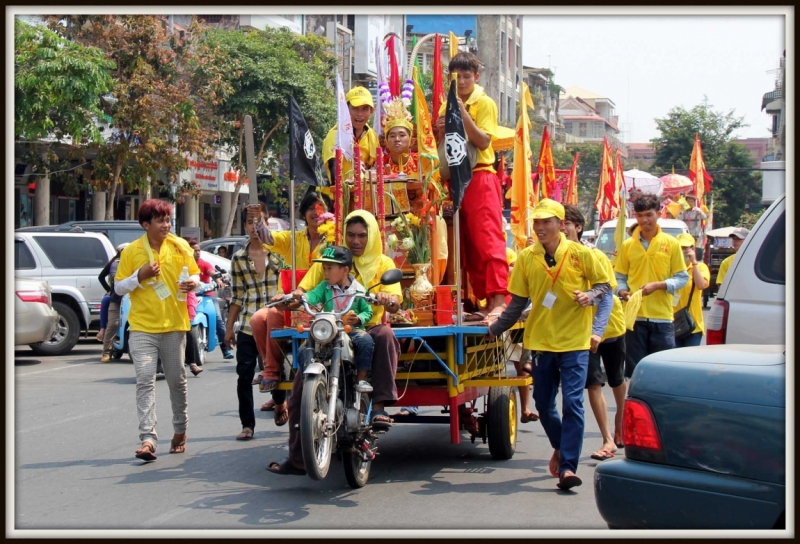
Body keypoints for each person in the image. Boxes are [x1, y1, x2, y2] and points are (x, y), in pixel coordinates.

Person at [487, 199, 611, 491]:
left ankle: (568, 467)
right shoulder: (527, 257)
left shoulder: (582, 254)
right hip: (541, 341)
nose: (541, 228)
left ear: (561, 224)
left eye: (547, 222)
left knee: (573, 403)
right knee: (543, 403)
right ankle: (560, 445)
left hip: (575, 341)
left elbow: (605, 287)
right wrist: (495, 328)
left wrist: (590, 296)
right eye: (537, 223)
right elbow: (517, 301)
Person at [267, 210, 402, 476]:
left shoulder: (384, 263)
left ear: (372, 236)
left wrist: (389, 300)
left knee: (385, 335)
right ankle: (298, 458)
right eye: (350, 234)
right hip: (329, 328)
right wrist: (294, 295)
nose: (356, 240)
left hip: (365, 326)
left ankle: (378, 407)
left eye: (362, 235)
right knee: (300, 382)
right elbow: (305, 290)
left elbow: (396, 301)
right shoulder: (328, 259)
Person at [114, 199, 201, 462]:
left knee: (177, 381)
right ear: (145, 224)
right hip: (142, 327)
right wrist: (138, 276)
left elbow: (196, 276)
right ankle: (148, 438)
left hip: (174, 326)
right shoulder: (132, 251)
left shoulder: (180, 245)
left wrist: (192, 284)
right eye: (161, 220)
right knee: (144, 379)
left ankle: (180, 429)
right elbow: (118, 288)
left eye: (168, 219)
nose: (166, 224)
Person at [434, 51, 508, 323]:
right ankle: (483, 301)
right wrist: (441, 127)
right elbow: (443, 144)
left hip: (480, 176)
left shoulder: (484, 102)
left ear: (476, 77)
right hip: (454, 179)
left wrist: (461, 112)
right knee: (466, 245)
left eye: (467, 76)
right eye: (457, 77)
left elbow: (485, 141)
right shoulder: (445, 105)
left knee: (488, 240)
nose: (462, 81)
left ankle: (499, 300)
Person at [562, 205, 627, 458]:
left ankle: (620, 423)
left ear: (578, 227)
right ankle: (608, 439)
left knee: (617, 380)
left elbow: (607, 294)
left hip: (610, 327)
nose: (562, 227)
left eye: (566, 222)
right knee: (593, 384)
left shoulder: (595, 255)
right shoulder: (554, 258)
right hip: (581, 333)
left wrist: (597, 324)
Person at [249, 194, 327, 400]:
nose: (316, 212)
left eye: (320, 207)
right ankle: (274, 369)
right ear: (303, 214)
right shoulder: (294, 238)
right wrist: (257, 219)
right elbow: (268, 238)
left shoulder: (334, 239)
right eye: (311, 208)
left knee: (274, 314)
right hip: (292, 301)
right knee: (258, 319)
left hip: (322, 301)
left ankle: (273, 370)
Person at [225, 206, 287, 440]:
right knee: (244, 374)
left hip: (273, 322)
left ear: (266, 224)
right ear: (244, 226)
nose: (253, 227)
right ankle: (247, 425)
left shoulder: (279, 254)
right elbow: (237, 295)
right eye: (249, 222)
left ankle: (280, 402)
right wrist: (229, 328)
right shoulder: (239, 258)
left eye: (257, 221)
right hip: (247, 324)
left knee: (276, 369)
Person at [614, 193, 689, 379]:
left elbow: (682, 278)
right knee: (635, 373)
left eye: (648, 215)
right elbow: (619, 277)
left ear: (659, 213)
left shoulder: (671, 244)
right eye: (639, 216)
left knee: (663, 372)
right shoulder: (627, 246)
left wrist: (659, 285)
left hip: (662, 318)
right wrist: (623, 292)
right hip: (634, 319)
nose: (644, 220)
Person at [292, 245, 374, 384]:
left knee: (366, 341)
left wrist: (359, 319)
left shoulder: (358, 290)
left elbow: (368, 311)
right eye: (324, 268)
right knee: (303, 350)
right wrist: (303, 296)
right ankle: (310, 384)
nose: (326, 273)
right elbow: (313, 295)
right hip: (327, 331)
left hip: (350, 331)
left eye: (329, 268)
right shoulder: (324, 287)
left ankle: (361, 379)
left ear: (345, 270)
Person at [322, 86, 380, 185]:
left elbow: (375, 167)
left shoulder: (372, 135)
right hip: (338, 194)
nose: (360, 114)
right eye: (355, 109)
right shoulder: (336, 135)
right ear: (345, 109)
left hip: (365, 193)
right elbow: (333, 169)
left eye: (365, 109)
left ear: (371, 111)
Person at [190, 240, 234, 360]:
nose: (197, 252)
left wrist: (218, 281)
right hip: (188, 297)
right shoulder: (184, 264)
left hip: (207, 295)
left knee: (218, 320)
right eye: (194, 250)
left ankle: (226, 349)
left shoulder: (203, 263)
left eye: (199, 250)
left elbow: (212, 272)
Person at [674, 233, 710, 347]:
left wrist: (694, 262)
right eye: (680, 248)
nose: (682, 251)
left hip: (692, 324)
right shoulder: (671, 267)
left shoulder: (700, 267)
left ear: (693, 249)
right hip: (672, 322)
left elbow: (701, 285)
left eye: (685, 248)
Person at [98, 243, 128, 362]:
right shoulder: (115, 264)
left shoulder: (136, 262)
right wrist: (109, 290)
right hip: (116, 298)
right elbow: (105, 277)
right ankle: (106, 352)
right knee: (113, 323)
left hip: (133, 299)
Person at [677, 194, 708, 261]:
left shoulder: (697, 210)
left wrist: (700, 213)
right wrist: (682, 211)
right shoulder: (683, 211)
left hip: (695, 234)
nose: (690, 203)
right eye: (688, 201)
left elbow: (705, 217)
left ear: (694, 203)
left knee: (696, 248)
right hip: (686, 234)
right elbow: (678, 220)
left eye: (692, 202)